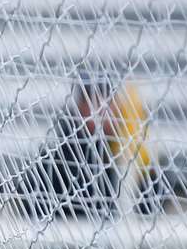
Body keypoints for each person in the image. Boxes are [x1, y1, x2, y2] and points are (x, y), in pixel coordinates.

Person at [32, 77, 153, 219]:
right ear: (80, 107)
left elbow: (150, 204)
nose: (103, 111)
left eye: (109, 101)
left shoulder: (125, 143)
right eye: (95, 103)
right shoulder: (60, 155)